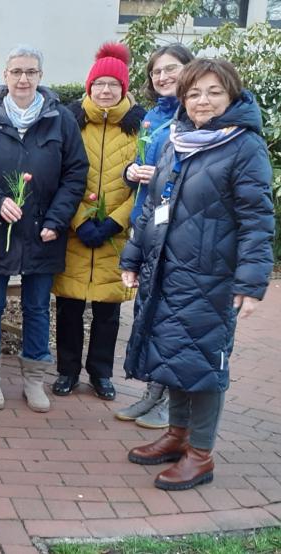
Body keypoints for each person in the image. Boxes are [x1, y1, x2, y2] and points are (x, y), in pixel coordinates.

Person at [121, 58, 274, 490]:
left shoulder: (244, 146)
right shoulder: (178, 140)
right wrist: (133, 258)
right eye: (194, 93)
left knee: (204, 361)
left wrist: (250, 281)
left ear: (231, 95)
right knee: (173, 353)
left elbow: (257, 218)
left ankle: (201, 455)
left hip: (213, 277)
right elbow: (153, 206)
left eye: (213, 92)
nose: (202, 101)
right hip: (169, 271)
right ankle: (176, 435)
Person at [0, 44, 89, 413]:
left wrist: (56, 220)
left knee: (36, 307)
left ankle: (34, 379)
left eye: (30, 72)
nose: (23, 79)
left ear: (40, 77)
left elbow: (75, 173)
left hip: (43, 231)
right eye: (16, 72)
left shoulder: (60, 119)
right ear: (5, 76)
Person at [51, 43, 144, 402]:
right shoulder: (71, 122)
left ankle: (101, 373)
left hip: (114, 236)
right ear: (89, 87)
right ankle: (67, 371)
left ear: (124, 89)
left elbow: (148, 185)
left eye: (114, 85)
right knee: (70, 309)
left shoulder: (139, 128)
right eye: (100, 84)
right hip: (76, 233)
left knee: (108, 312)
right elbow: (59, 177)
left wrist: (115, 223)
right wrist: (78, 221)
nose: (106, 91)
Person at [116, 43, 195, 429]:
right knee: (147, 312)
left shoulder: (194, 118)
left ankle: (171, 403)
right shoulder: (150, 117)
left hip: (180, 233)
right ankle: (151, 393)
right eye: (157, 71)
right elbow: (143, 164)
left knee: (172, 318)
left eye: (172, 69)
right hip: (147, 225)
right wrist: (132, 171)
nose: (163, 77)